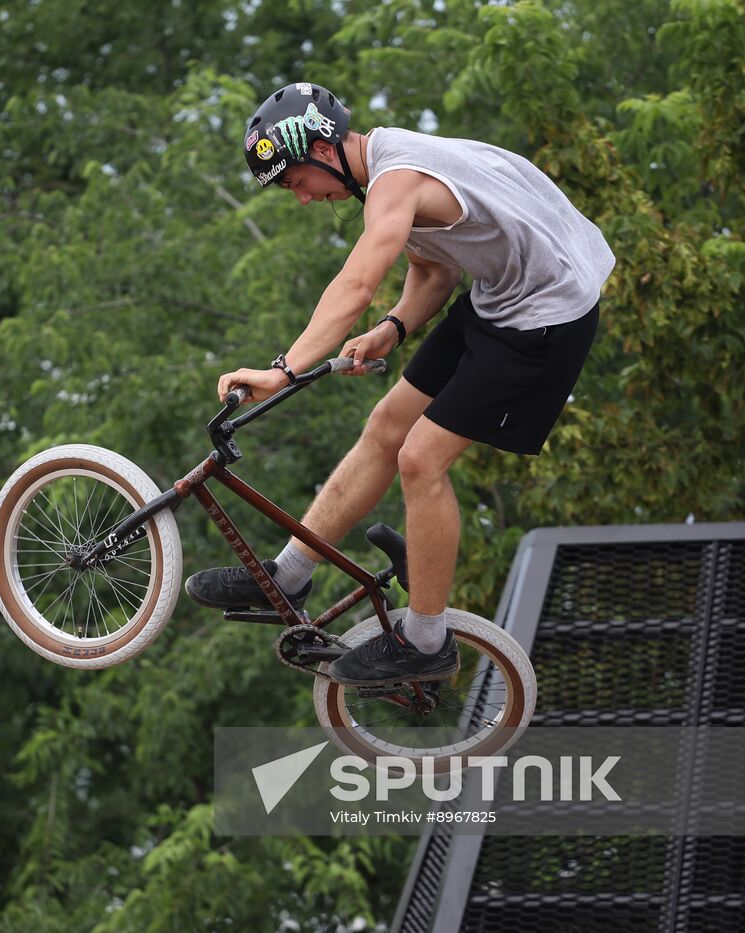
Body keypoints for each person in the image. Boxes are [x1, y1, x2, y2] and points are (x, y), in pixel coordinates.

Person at [185, 82, 614, 689]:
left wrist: (280, 371)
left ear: (324, 149)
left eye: (295, 182)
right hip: (502, 296)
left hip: (547, 316)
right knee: (386, 428)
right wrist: (396, 325)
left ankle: (427, 641)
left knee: (420, 460)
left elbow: (356, 284)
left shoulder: (396, 180)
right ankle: (287, 575)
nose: (303, 199)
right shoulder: (387, 170)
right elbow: (436, 267)